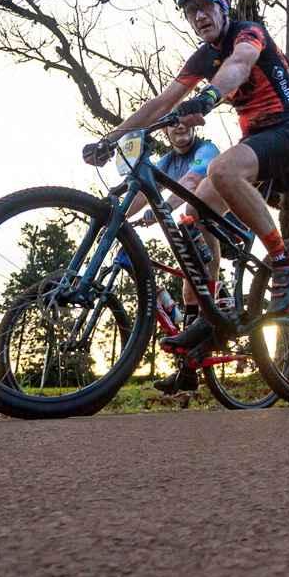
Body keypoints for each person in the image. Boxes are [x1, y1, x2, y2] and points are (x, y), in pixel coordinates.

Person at [81, 0, 289, 382]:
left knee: (221, 169)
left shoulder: (247, 33)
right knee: (193, 215)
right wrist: (111, 138)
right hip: (255, 138)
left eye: (206, 7)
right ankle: (211, 312)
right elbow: (163, 101)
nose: (199, 16)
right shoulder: (202, 57)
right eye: (191, 12)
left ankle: (284, 261)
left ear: (224, 9)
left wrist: (207, 98)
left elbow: (238, 68)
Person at [119, 120, 220, 394]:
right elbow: (140, 193)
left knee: (192, 211)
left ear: (195, 125)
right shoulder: (166, 161)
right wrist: (115, 215)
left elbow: (192, 180)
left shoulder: (206, 149)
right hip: (191, 229)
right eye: (173, 124)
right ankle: (188, 372)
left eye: (185, 122)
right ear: (165, 131)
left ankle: (211, 328)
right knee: (189, 293)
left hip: (218, 223)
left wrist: (161, 208)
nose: (179, 127)